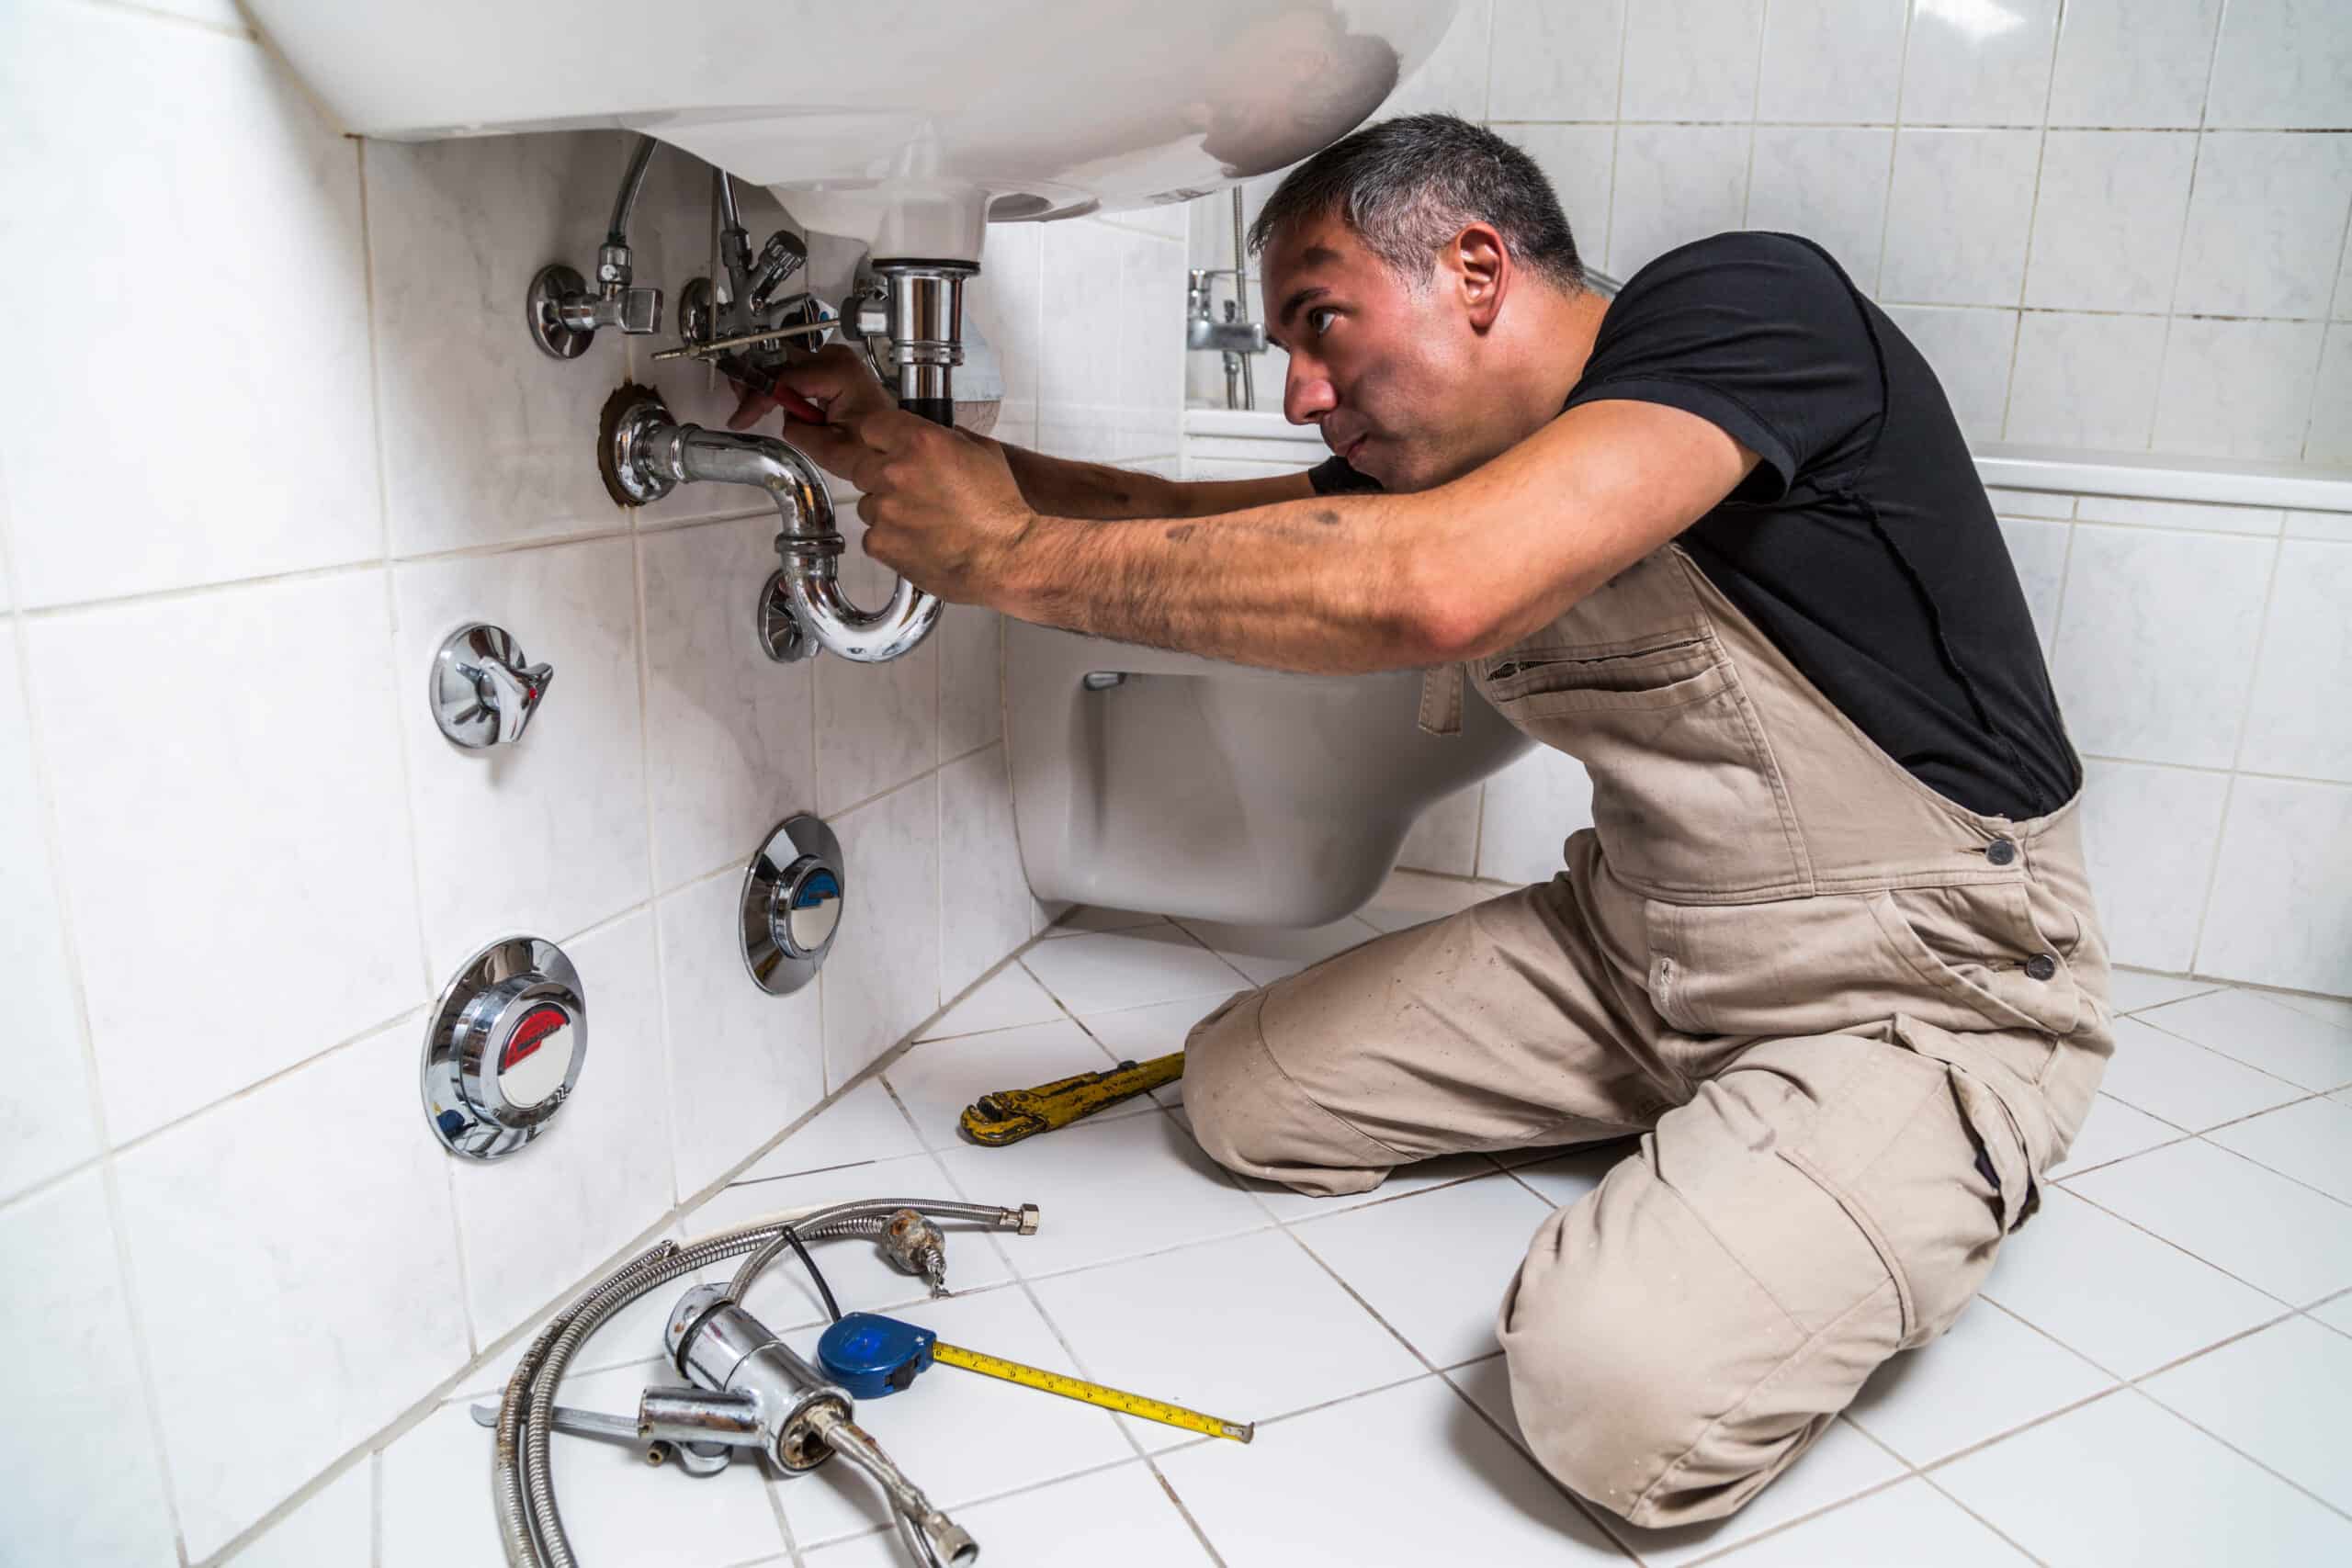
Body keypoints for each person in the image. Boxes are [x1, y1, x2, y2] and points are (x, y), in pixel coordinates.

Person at [748, 113, 2111, 1529]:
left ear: (1474, 269)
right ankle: (1730, 1116)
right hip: (1641, 943)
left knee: (1612, 1403)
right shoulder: (1453, 468)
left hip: (1916, 983)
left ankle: (1940, 1145)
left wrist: (1014, 564)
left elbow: (1443, 590)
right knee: (1246, 1092)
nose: (1297, 393)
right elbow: (1165, 515)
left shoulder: (1750, 310)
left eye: (1320, 324)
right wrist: (895, 449)